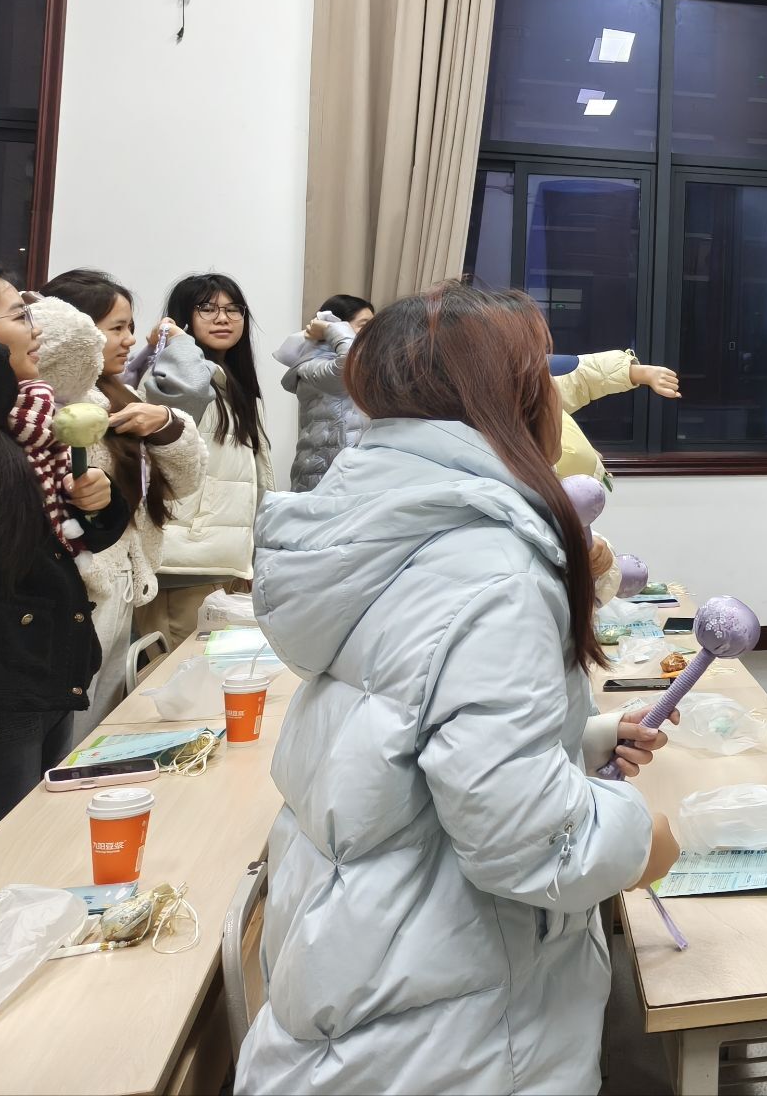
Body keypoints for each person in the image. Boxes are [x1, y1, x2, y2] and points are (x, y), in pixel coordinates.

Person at [237, 284, 681, 1094]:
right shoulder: (494, 567)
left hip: (354, 973)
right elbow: (527, 841)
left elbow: (391, 721)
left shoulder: (374, 523)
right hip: (450, 1030)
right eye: (538, 377)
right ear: (508, 398)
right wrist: (637, 834)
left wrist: (577, 739)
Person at [0, 263, 124, 877]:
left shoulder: (31, 424)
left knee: (31, 859)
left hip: (39, 675)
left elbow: (55, 544)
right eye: (19, 315)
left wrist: (98, 506)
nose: (36, 328)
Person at [38, 270, 209, 733]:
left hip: (123, 579)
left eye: (130, 326)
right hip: (82, 585)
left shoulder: (123, 393)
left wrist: (166, 424)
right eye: (116, 328)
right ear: (75, 331)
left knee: (101, 718)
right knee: (74, 722)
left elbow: (184, 482)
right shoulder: (52, 402)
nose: (131, 340)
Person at [135, 273, 273, 648]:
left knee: (215, 675)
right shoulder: (169, 379)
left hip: (223, 561)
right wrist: (177, 343)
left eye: (233, 309)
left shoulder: (235, 388)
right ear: (183, 317)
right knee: (173, 676)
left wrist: (253, 556)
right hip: (181, 565)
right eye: (207, 308)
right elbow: (187, 399)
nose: (223, 318)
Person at [272, 293, 373, 492]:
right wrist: (330, 329)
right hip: (323, 474)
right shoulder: (311, 365)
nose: (372, 333)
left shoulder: (365, 365)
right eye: (364, 325)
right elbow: (347, 368)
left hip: (348, 472)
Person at [550, 349, 681, 484]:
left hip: (578, 486)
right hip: (553, 486)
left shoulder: (541, 380)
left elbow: (579, 375)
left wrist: (642, 373)